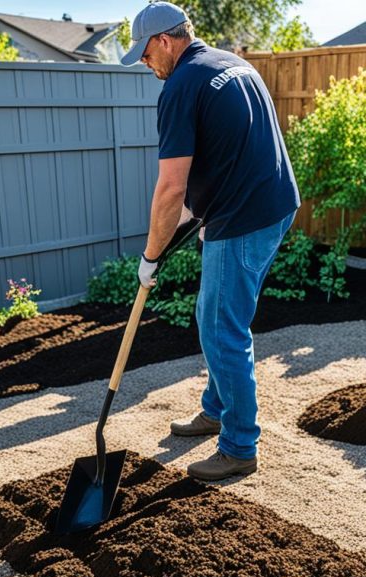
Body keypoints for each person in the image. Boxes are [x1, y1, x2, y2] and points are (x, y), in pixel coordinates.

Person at [121, 2, 300, 481]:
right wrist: (186, 225)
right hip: (275, 202)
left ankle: (240, 446)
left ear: (164, 41)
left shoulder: (181, 86)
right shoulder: (232, 63)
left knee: (223, 328)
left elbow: (170, 189)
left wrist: (149, 257)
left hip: (243, 218)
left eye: (144, 52)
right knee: (213, 314)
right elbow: (227, 152)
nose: (143, 62)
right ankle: (216, 408)